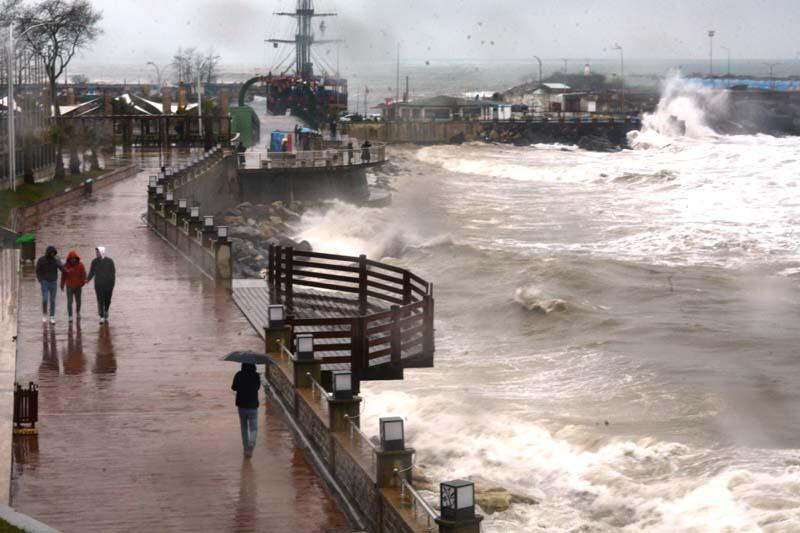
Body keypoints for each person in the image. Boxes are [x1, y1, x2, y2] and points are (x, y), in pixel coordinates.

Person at [231, 363, 261, 457]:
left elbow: (233, 387)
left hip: (241, 405)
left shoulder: (239, 374)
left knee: (244, 427)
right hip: (253, 405)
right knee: (254, 428)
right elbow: (258, 387)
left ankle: (246, 449)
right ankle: (252, 442)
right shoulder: (256, 375)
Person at [35, 246, 65, 324]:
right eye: (51, 253)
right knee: (45, 299)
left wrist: (68, 271)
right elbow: (37, 270)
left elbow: (62, 269)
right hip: (44, 282)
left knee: (52, 300)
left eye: (54, 253)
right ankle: (44, 314)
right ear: (48, 252)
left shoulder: (56, 260)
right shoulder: (41, 260)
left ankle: (52, 316)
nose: (52, 254)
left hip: (53, 283)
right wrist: (40, 280)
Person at [87, 246, 116, 324]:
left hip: (108, 285)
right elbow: (91, 272)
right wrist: (87, 279)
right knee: (100, 300)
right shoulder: (94, 262)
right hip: (98, 285)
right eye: (96, 252)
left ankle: (106, 310)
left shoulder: (110, 261)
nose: (96, 253)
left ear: (102, 252)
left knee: (107, 300)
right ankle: (101, 316)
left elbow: (113, 273)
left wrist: (112, 284)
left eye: (98, 252)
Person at [60, 250, 87, 322]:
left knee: (78, 301)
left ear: (76, 258)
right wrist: (62, 285)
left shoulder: (80, 265)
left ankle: (78, 312)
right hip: (69, 287)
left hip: (78, 287)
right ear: (69, 259)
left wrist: (83, 283)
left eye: (74, 258)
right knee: (69, 302)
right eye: (71, 258)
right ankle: (70, 316)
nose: (73, 260)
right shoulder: (65, 266)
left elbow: (84, 275)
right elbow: (63, 276)